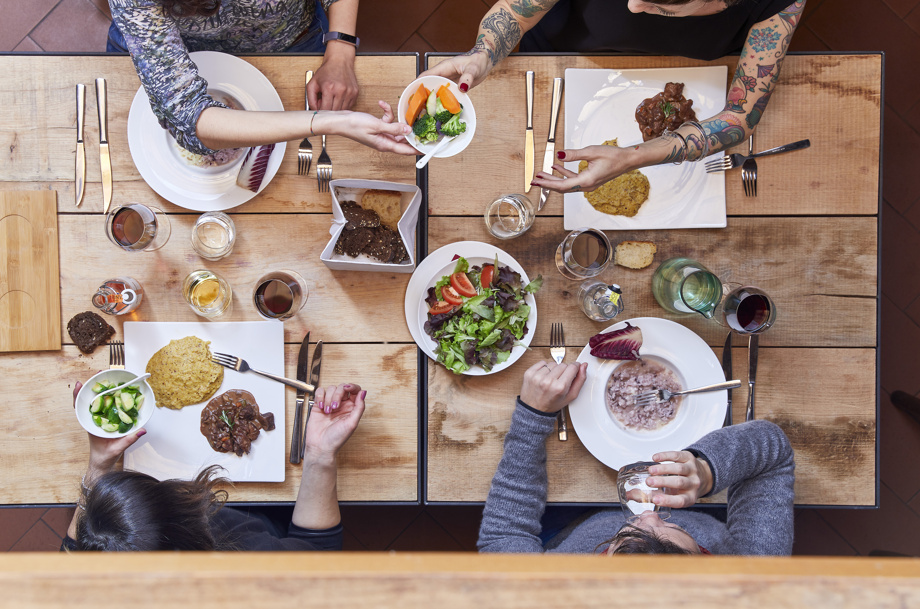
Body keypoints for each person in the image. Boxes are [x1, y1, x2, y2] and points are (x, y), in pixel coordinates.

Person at [422, 0, 807, 193]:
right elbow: (516, 12)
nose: (633, 6)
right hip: (564, 54)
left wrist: (633, 157)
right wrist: (483, 52)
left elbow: (741, 117)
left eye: (660, 4)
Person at [477, 360, 795, 555]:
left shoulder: (543, 593)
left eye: (627, 535)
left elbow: (504, 536)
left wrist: (532, 417)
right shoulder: (754, 578)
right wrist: (707, 470)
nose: (649, 513)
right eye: (682, 537)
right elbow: (773, 452)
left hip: (567, 521)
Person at [64, 382, 366, 551]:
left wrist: (99, 468)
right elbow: (317, 549)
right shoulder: (250, 558)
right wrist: (320, 455)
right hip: (274, 523)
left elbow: (74, 550)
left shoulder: (84, 580)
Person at [107, 0, 416, 156]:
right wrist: (331, 122)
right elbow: (189, 118)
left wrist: (341, 48)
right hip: (163, 46)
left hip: (291, 40)